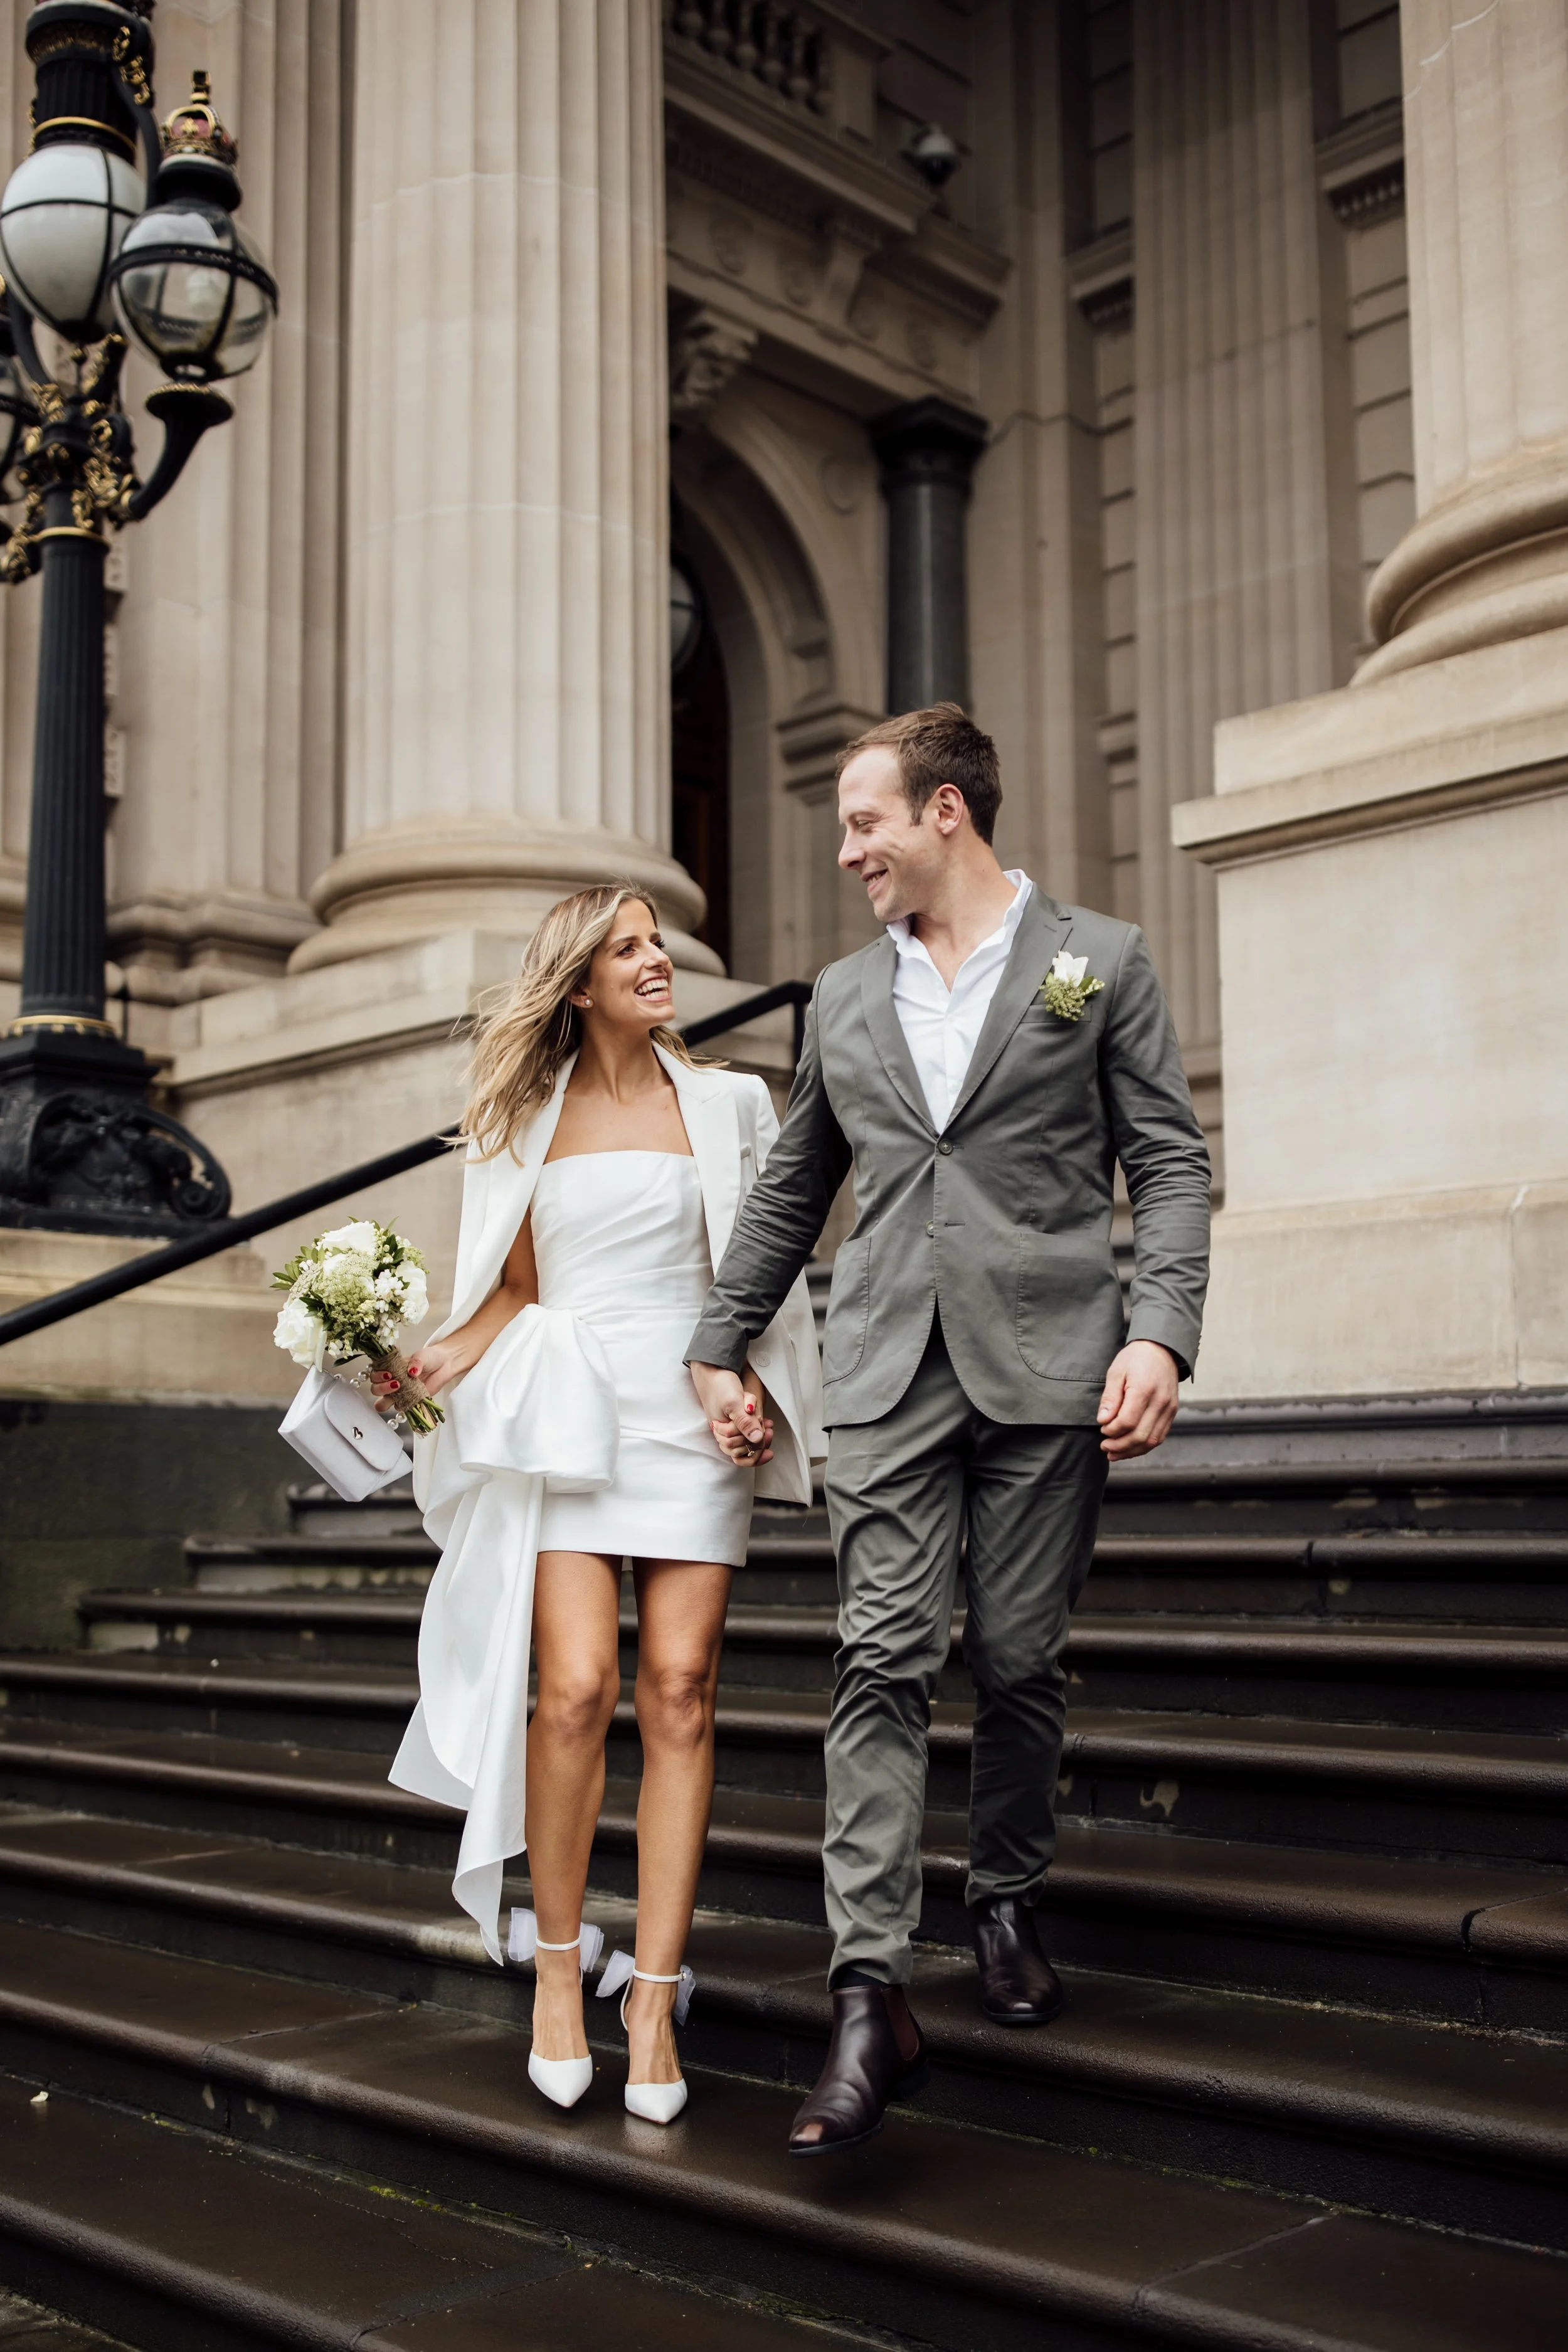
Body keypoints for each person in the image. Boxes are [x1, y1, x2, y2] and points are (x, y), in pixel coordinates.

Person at [687, 704, 1211, 2157]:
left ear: (943, 815)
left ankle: (1000, 1899)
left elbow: (1165, 1162)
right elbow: (796, 1188)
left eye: (863, 820)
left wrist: (1159, 1328)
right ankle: (866, 1993)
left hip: (1052, 1365)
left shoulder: (1095, 961)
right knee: (878, 1656)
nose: (846, 847)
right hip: (885, 1369)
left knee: (1022, 1660)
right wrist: (715, 1343)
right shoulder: (844, 999)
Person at [381, 883, 822, 2126]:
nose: (655, 958)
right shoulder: (519, 1118)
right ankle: (562, 1977)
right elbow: (512, 1290)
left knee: (678, 1691)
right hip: (570, 1420)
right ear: (577, 983)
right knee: (573, 1690)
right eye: (625, 948)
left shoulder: (733, 1103)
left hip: (688, 1418)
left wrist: (750, 1391)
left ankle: (654, 1996)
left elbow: (760, 1274)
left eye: (654, 939)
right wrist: (417, 1362)